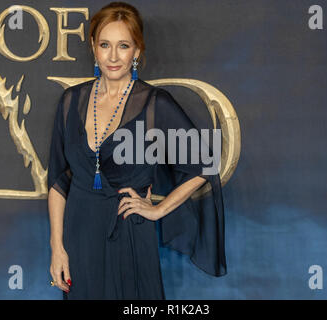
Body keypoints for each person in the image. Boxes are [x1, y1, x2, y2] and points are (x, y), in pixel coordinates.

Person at [47, 1, 227, 300]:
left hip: (129, 232)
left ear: (137, 51)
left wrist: (157, 209)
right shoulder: (70, 101)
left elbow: (205, 163)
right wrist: (57, 247)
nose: (113, 56)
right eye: (105, 44)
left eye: (124, 45)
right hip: (79, 235)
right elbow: (58, 179)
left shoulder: (155, 104)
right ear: (93, 46)